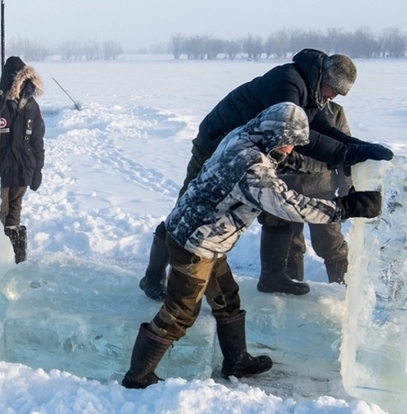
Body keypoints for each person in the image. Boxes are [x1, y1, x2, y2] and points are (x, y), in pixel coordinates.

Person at [121, 102, 382, 389]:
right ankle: (138, 375)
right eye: (288, 143)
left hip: (204, 237)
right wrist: (344, 208)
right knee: (180, 313)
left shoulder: (245, 135)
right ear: (274, 135)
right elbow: (288, 204)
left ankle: (236, 361)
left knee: (226, 298)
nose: (290, 150)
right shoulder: (249, 165)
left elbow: (290, 162)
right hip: (195, 244)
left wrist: (342, 158)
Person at [139, 49, 393, 301]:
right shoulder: (288, 84)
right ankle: (152, 277)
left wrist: (358, 147)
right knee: (186, 212)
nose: (334, 97)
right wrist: (346, 155)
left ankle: (273, 277)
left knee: (276, 211)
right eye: (333, 90)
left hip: (255, 152)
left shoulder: (312, 90)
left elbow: (321, 127)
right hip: (215, 148)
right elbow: (301, 138)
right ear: (323, 79)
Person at [0, 56, 45, 264]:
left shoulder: (31, 105)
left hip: (22, 170)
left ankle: (13, 258)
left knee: (14, 212)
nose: (20, 84)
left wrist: (38, 169)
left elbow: (37, 140)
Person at [280, 101, 353, 284]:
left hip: (322, 188)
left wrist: (346, 190)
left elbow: (345, 152)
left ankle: (341, 289)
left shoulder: (334, 111)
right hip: (286, 187)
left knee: (332, 244)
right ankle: (291, 290)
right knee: (289, 244)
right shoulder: (284, 106)